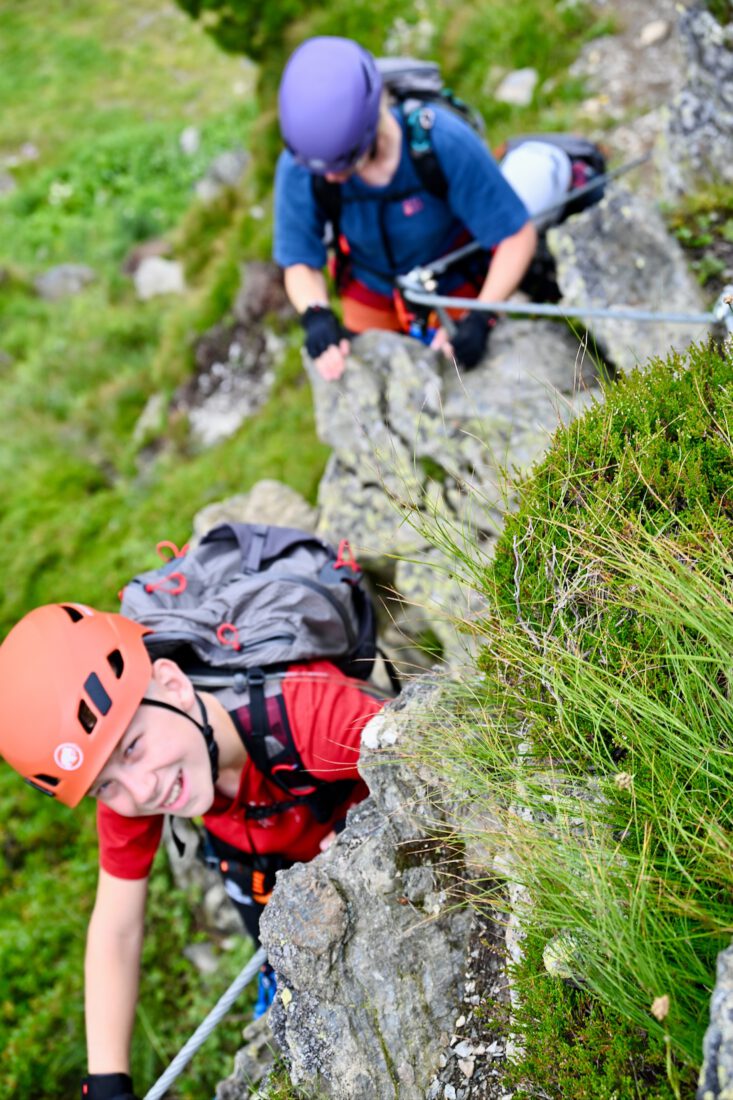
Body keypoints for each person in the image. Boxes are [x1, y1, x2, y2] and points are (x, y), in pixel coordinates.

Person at [0, 603, 385, 1100]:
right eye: (104, 786)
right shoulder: (131, 783)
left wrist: (376, 830)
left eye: (133, 746)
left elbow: (433, 760)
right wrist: (105, 1084)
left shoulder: (309, 713)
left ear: (174, 685)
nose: (141, 792)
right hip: (268, 869)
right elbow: (116, 928)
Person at [273, 37, 573, 380]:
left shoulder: (441, 142)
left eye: (341, 165)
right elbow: (298, 258)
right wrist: (316, 313)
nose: (329, 176)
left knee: (463, 372)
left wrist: (481, 316)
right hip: (369, 284)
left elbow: (515, 236)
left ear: (368, 128)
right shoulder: (304, 162)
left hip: (454, 279)